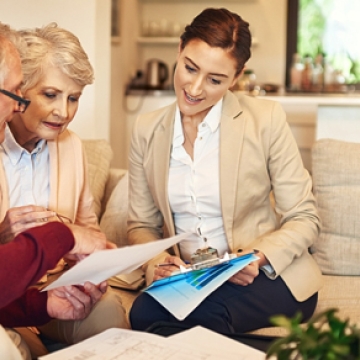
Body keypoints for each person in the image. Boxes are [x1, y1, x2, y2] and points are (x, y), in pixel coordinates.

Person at [128, 7, 323, 334]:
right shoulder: (146, 129)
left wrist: (257, 256)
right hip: (192, 279)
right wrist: (156, 262)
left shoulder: (266, 120)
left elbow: (305, 218)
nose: (195, 88)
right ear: (179, 49)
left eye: (215, 79)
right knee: (143, 313)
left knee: (205, 318)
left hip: (266, 276)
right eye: (190, 68)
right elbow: (141, 225)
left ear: (237, 76)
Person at [0, 23, 128, 357]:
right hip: (7, 294)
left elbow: (88, 229)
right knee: (21, 348)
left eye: (74, 98)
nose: (64, 112)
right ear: (19, 90)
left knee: (111, 316)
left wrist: (89, 272)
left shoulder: (71, 147)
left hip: (54, 288)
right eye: (50, 94)